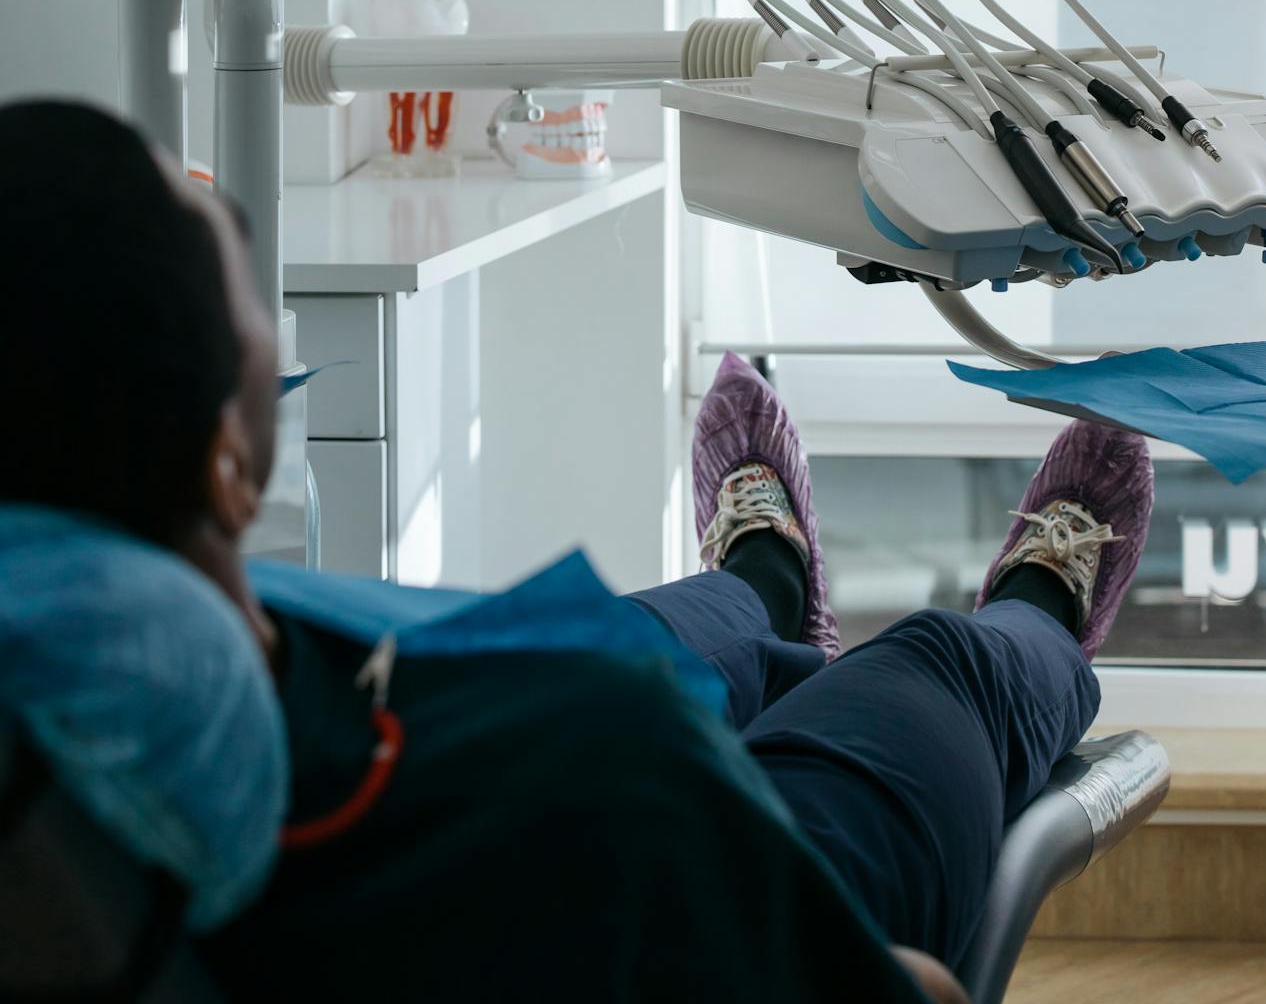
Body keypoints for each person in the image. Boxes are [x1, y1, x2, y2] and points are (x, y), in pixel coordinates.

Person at [0, 101, 1154, 1002]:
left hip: (455, 729)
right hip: (671, 847)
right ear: (228, 466)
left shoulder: (74, 659)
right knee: (940, 660)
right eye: (245, 281)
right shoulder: (608, 770)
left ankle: (768, 582)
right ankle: (1041, 609)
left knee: (706, 622)